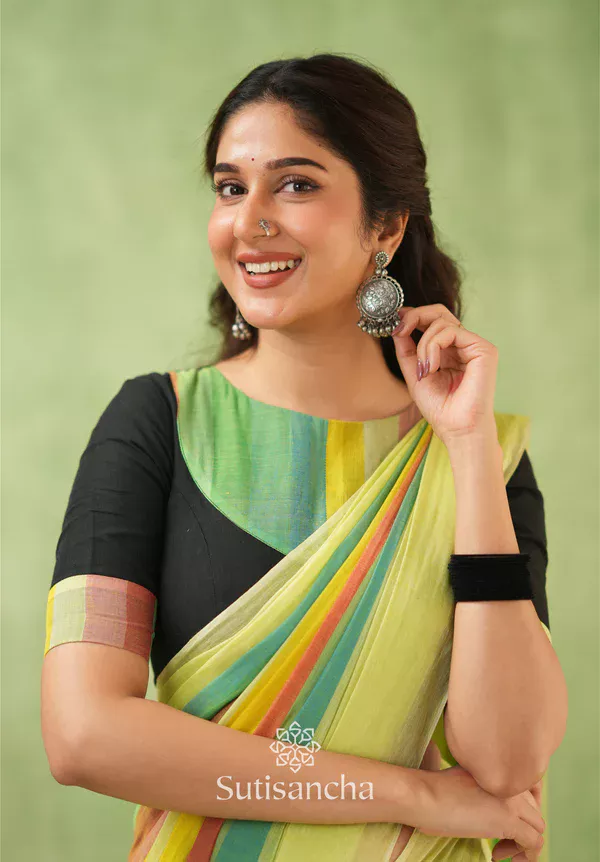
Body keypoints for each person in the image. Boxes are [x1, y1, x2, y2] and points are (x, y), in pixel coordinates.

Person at [41, 53, 567, 862]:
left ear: (386, 228)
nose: (249, 220)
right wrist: (412, 793)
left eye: (295, 184)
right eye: (230, 188)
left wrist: (464, 448)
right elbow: (84, 735)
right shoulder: (157, 425)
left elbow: (507, 760)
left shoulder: (483, 458)